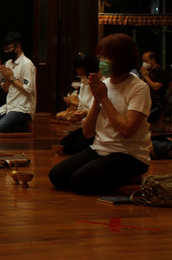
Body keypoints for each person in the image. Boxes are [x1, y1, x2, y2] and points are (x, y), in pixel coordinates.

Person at [49, 34, 151, 194]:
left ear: (121, 59)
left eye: (106, 57)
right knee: (57, 176)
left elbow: (127, 131)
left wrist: (103, 98)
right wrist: (97, 99)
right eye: (100, 57)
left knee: (80, 180)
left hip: (129, 154)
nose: (101, 62)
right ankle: (114, 180)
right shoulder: (104, 84)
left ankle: (130, 180)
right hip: (100, 148)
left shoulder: (138, 88)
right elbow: (88, 132)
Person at [59, 53, 100, 155]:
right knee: (64, 145)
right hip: (85, 126)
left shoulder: (102, 83)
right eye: (79, 75)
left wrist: (86, 113)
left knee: (76, 147)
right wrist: (76, 115)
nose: (81, 78)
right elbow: (81, 106)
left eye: (83, 75)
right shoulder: (84, 84)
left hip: (97, 129)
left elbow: (100, 108)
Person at [0, 32, 37, 133]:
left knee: (0, 127)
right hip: (10, 105)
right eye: (5, 49)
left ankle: (26, 125)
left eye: (9, 48)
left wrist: (12, 78)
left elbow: (29, 88)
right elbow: (5, 89)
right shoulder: (9, 63)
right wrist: (7, 79)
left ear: (18, 47)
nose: (7, 51)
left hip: (22, 107)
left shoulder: (27, 64)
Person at [140, 51, 169, 122]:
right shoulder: (147, 71)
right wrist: (143, 77)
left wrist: (146, 76)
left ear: (153, 61)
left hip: (156, 103)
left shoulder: (160, 72)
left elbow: (156, 87)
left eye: (146, 61)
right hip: (146, 101)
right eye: (143, 61)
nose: (144, 63)